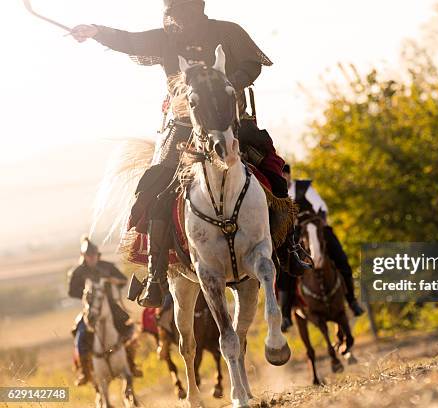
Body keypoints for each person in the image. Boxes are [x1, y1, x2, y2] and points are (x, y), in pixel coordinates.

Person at [70, 0, 311, 308]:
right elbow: (129, 40)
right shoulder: (164, 38)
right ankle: (157, 275)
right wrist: (96, 31)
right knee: (153, 192)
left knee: (275, 174)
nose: (175, 16)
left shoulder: (228, 31)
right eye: (172, 10)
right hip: (183, 127)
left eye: (181, 9)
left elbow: (252, 64)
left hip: (231, 120)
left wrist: (230, 83)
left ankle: (288, 247)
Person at [279, 164, 364, 331]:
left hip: (317, 227)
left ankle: (352, 301)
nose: (282, 178)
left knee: (341, 259)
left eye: (284, 174)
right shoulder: (278, 195)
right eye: (279, 175)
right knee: (284, 271)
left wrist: (320, 223)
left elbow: (321, 206)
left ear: (289, 175)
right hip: (295, 235)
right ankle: (286, 315)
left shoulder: (304, 188)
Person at [67, 237, 142, 386]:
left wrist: (111, 280)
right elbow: (71, 292)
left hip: (111, 307)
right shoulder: (78, 272)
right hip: (90, 308)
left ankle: (131, 363)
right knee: (81, 334)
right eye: (88, 256)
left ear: (98, 255)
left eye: (94, 255)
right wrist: (86, 294)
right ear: (83, 257)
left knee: (129, 328)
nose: (91, 258)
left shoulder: (107, 267)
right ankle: (85, 372)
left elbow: (123, 280)